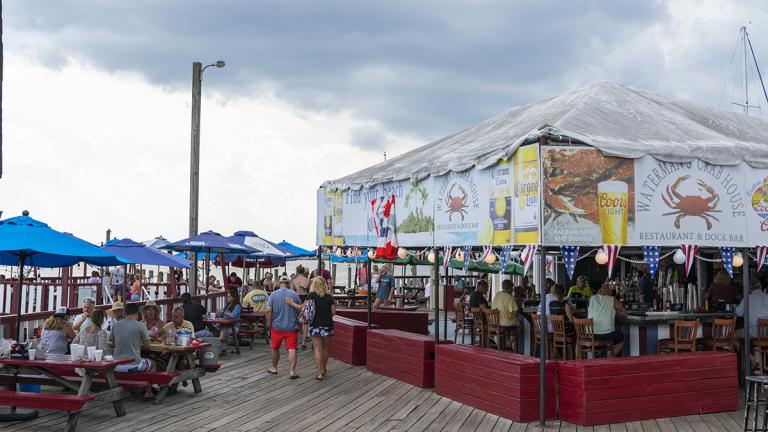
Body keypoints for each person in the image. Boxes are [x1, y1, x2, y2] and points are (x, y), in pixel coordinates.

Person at [287, 276, 335, 380]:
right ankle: (323, 369)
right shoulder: (329, 297)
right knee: (325, 348)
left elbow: (301, 308)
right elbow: (333, 312)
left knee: (317, 349)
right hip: (327, 326)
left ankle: (319, 373)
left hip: (315, 326)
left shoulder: (311, 295)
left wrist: (291, 303)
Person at [111, 303, 155, 399]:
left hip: (116, 365)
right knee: (153, 363)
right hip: (133, 365)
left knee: (143, 360)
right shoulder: (140, 325)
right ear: (137, 313)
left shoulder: (116, 325)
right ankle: (148, 392)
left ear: (125, 313)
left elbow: (114, 344)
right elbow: (147, 345)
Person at [266, 276, 301, 379]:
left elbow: (268, 310)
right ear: (289, 283)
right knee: (292, 348)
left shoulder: (273, 295)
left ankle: (274, 368)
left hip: (277, 327)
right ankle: (292, 371)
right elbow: (300, 309)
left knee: (275, 347)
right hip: (291, 326)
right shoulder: (294, 294)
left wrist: (269, 323)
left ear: (279, 283)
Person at [735, 273, 767, 367]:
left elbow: (738, 313)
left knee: (732, 335)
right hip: (766, 332)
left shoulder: (747, 299)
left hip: (753, 332)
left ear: (749, 288)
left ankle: (752, 358)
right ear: (760, 286)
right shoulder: (767, 297)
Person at [587, 282, 627, 356]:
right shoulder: (612, 299)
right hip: (607, 334)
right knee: (622, 338)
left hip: (590, 333)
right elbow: (624, 312)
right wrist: (616, 310)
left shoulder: (591, 298)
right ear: (610, 292)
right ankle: (610, 357)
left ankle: (599, 355)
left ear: (599, 291)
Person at [290, 266, 310, 349]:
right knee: (305, 322)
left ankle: (294, 341)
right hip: (306, 299)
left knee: (296, 320)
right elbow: (311, 292)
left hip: (296, 298)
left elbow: (291, 293)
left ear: (297, 271)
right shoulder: (308, 280)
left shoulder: (293, 281)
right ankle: (304, 342)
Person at [219, 290, 242, 354]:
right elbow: (223, 314)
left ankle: (219, 350)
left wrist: (225, 312)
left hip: (234, 327)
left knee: (223, 332)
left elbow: (234, 315)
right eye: (227, 296)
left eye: (229, 296)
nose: (227, 298)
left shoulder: (237, 306)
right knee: (212, 330)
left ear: (233, 298)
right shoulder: (227, 305)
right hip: (224, 325)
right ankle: (223, 349)